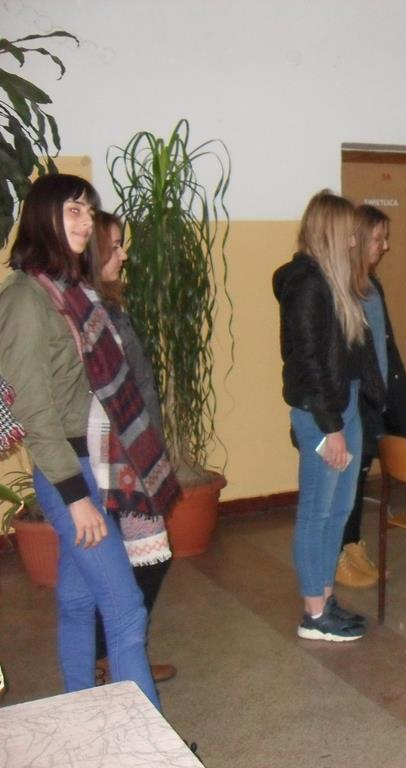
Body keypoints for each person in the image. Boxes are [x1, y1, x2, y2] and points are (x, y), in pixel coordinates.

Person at [0, 174, 180, 709]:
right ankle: (142, 744)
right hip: (72, 473)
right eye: (72, 211)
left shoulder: (72, 290)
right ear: (43, 219)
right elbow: (35, 410)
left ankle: (83, 715)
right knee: (125, 612)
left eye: (88, 211)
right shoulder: (27, 298)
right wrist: (75, 497)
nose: (84, 222)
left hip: (95, 462)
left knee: (78, 602)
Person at [272, 190, 381, 642]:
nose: (356, 241)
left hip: (344, 404)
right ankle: (313, 614)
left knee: (339, 510)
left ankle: (325, 596)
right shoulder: (307, 284)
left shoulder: (335, 281)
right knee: (316, 512)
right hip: (322, 412)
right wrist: (331, 427)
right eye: (349, 234)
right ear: (330, 233)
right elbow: (309, 364)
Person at [87, 211, 175, 684]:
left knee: (135, 560)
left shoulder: (108, 304)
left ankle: (121, 653)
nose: (124, 254)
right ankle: (114, 656)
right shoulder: (89, 311)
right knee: (145, 560)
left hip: (134, 450)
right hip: (117, 458)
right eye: (116, 246)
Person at [335, 205, 406, 589]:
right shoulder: (343, 290)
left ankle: (353, 548)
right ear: (359, 240)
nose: (385, 246)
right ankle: (340, 556)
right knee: (347, 483)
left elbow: (384, 346)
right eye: (379, 238)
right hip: (355, 402)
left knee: (359, 478)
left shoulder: (372, 285)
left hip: (376, 398)